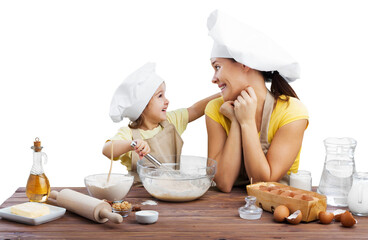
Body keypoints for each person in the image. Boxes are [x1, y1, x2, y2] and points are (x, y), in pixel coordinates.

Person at [205, 10, 309, 192]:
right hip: (224, 214)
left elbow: (262, 181)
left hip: (274, 212)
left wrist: (246, 122)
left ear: (244, 64)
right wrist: (236, 121)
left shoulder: (292, 112)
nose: (214, 78)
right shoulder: (215, 110)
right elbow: (223, 182)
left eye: (218, 67)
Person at [103, 62, 220, 182]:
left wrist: (224, 94)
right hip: (140, 196)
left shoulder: (171, 121)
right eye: (160, 96)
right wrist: (131, 144)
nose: (167, 101)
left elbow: (195, 110)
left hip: (172, 189)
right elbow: (107, 149)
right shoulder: (129, 133)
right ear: (142, 106)